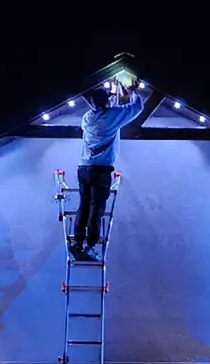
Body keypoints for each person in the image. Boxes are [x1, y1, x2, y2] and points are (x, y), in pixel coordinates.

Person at [71, 77, 144, 261]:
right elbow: (136, 108)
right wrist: (131, 91)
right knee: (97, 208)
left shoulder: (86, 118)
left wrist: (110, 96)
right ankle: (90, 246)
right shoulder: (112, 117)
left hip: (83, 168)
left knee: (84, 206)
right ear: (106, 102)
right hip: (101, 171)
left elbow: (102, 110)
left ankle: (77, 242)